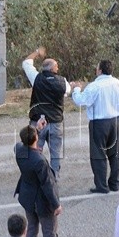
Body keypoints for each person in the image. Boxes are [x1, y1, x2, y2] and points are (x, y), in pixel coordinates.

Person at [14, 125, 69, 237]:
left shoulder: (19, 150)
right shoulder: (39, 161)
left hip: (28, 198)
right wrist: (56, 204)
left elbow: (23, 141)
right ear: (36, 139)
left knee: (31, 229)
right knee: (50, 233)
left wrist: (36, 130)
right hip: (42, 202)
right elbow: (47, 185)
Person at [71, 60, 119, 194]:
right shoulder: (117, 83)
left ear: (100, 70)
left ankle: (101, 185)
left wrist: (76, 89)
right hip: (114, 120)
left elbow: (81, 101)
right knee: (114, 154)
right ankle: (114, 183)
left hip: (99, 122)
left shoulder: (95, 86)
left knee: (98, 155)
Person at [23, 47, 70, 178]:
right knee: (55, 153)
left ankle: (37, 176)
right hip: (55, 122)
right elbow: (68, 91)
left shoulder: (36, 78)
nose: (58, 69)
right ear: (52, 69)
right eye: (57, 66)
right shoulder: (62, 82)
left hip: (37, 122)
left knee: (35, 151)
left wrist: (37, 52)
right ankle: (54, 177)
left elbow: (26, 63)